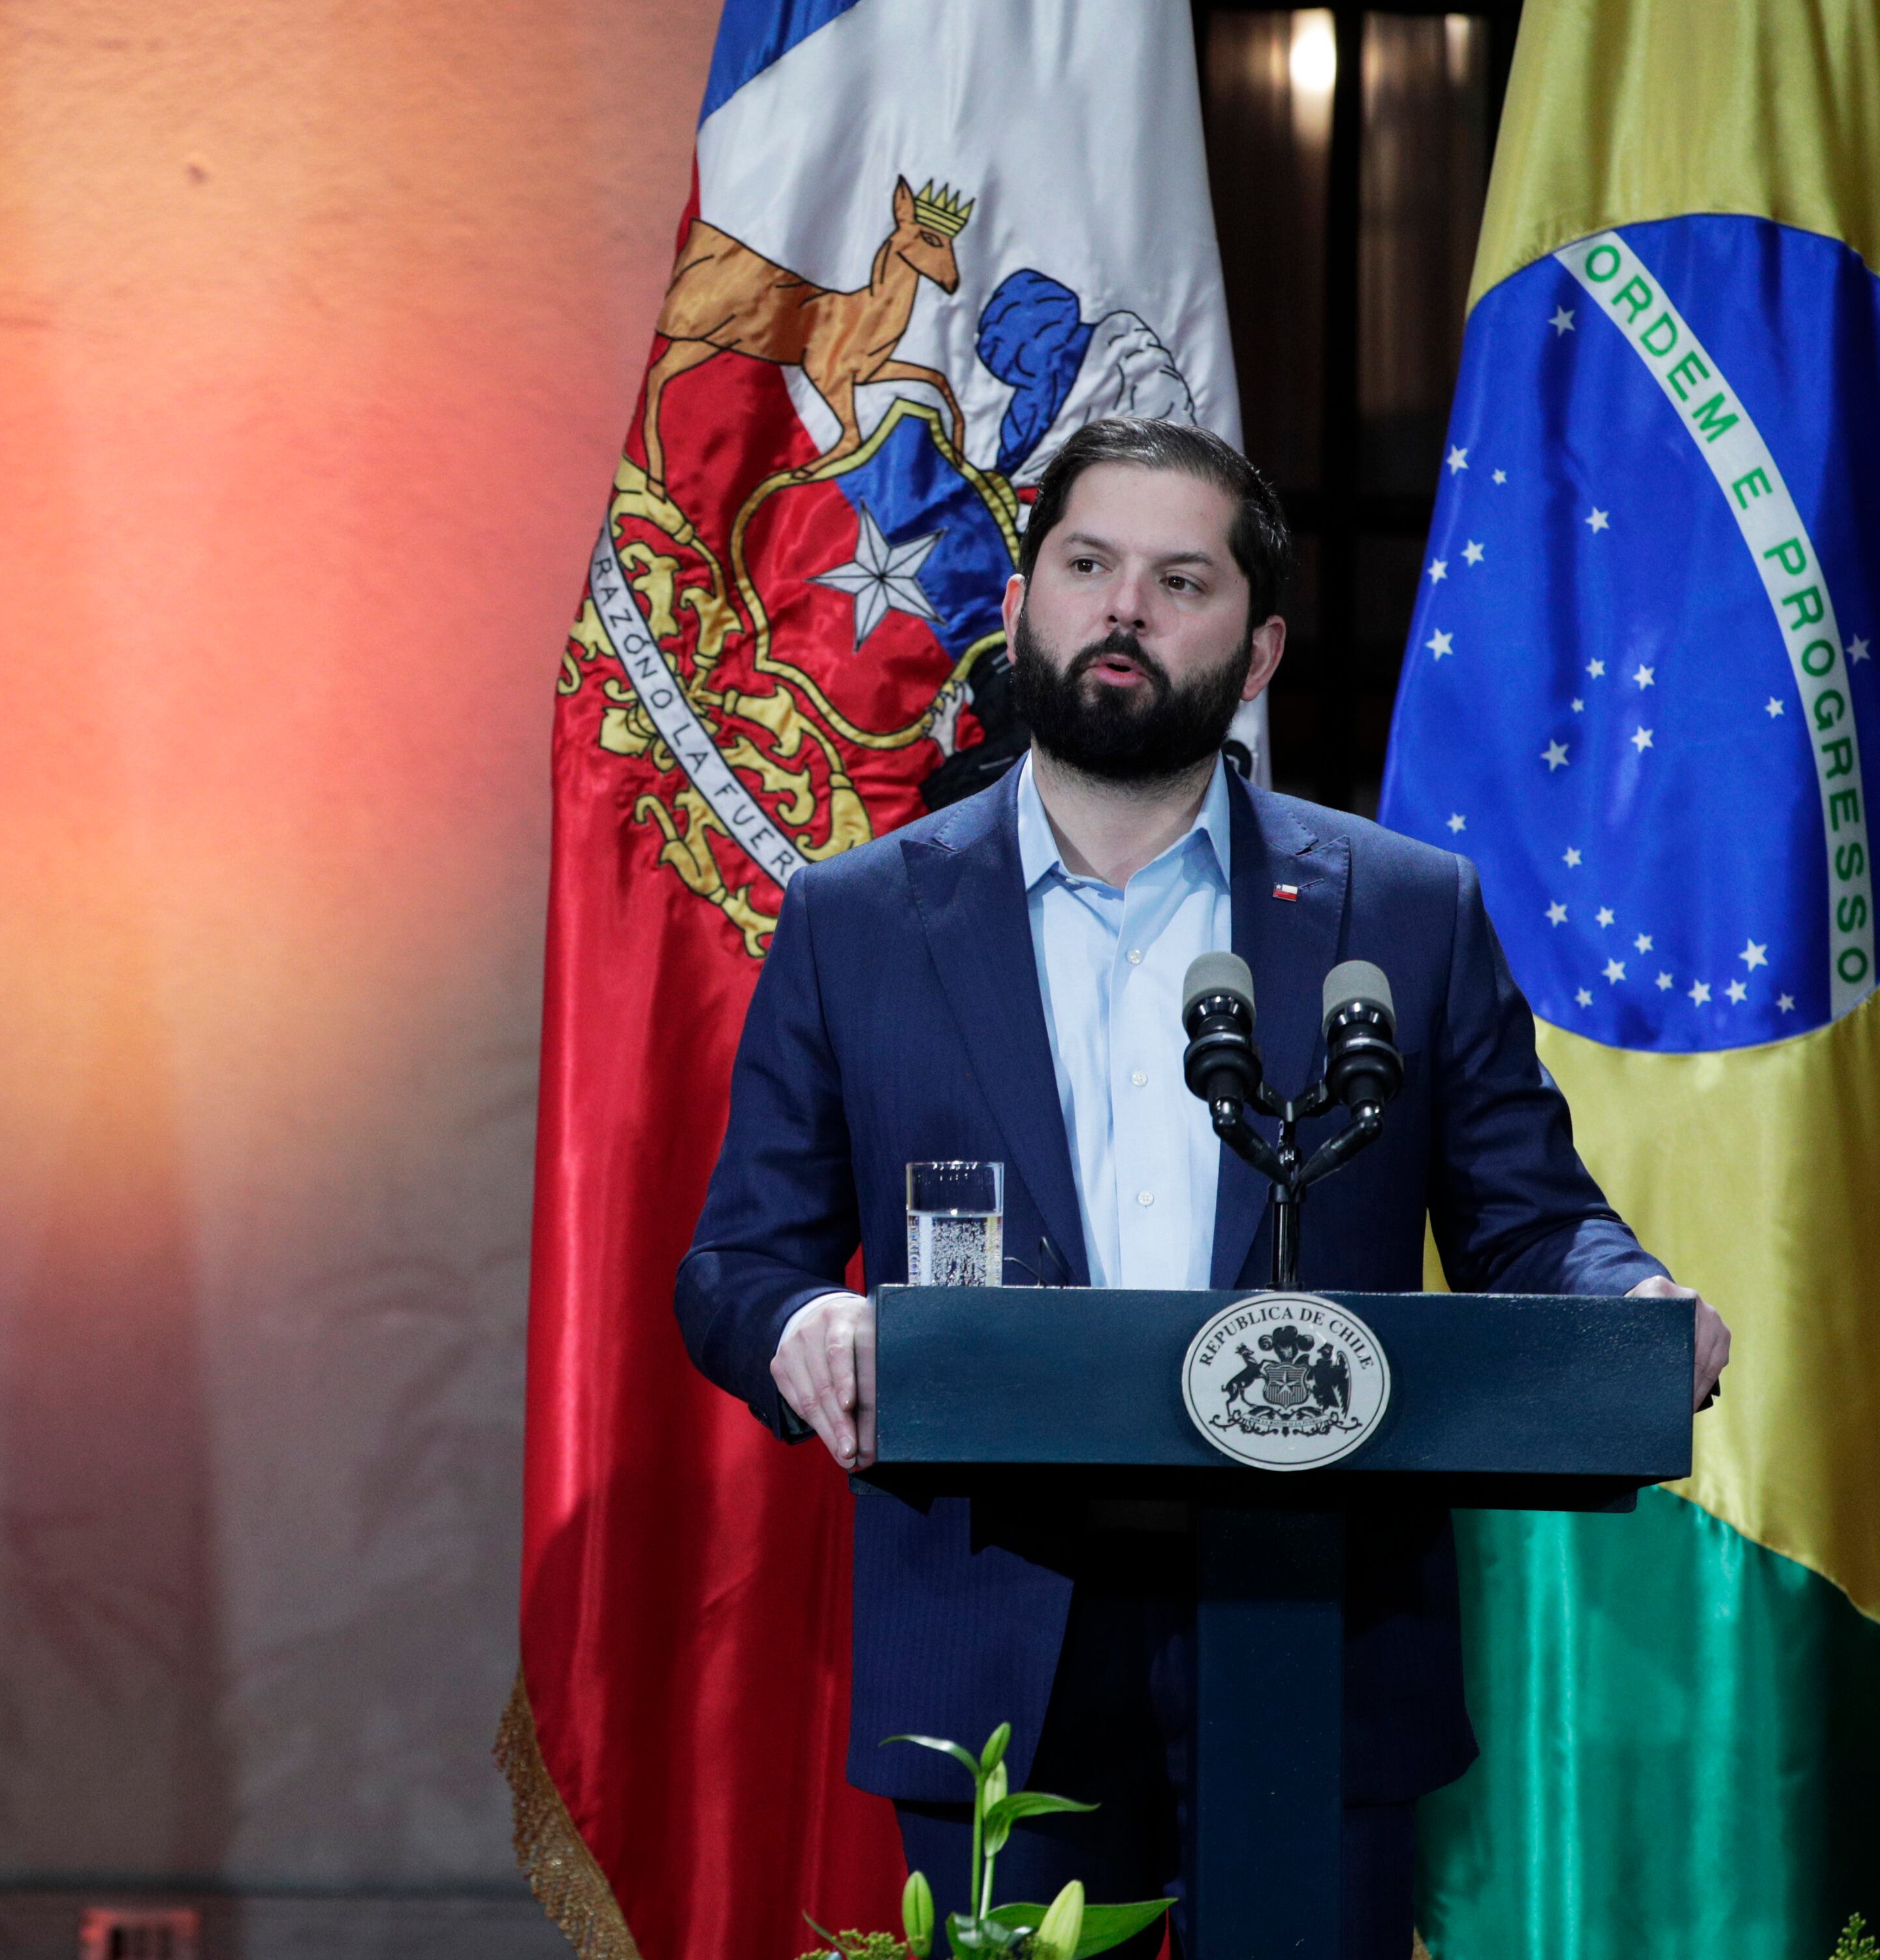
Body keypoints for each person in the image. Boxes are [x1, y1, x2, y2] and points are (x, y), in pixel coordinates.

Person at [674, 417, 1733, 1960]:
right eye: (1088, 566)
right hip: (998, 1634)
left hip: (1319, 1616)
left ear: (1256, 652)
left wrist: (1632, 1304)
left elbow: (1529, 1215)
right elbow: (734, 1264)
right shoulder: (860, 919)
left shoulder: (1402, 911)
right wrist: (811, 1319)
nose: (1124, 608)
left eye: (1180, 581)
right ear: (1026, 602)